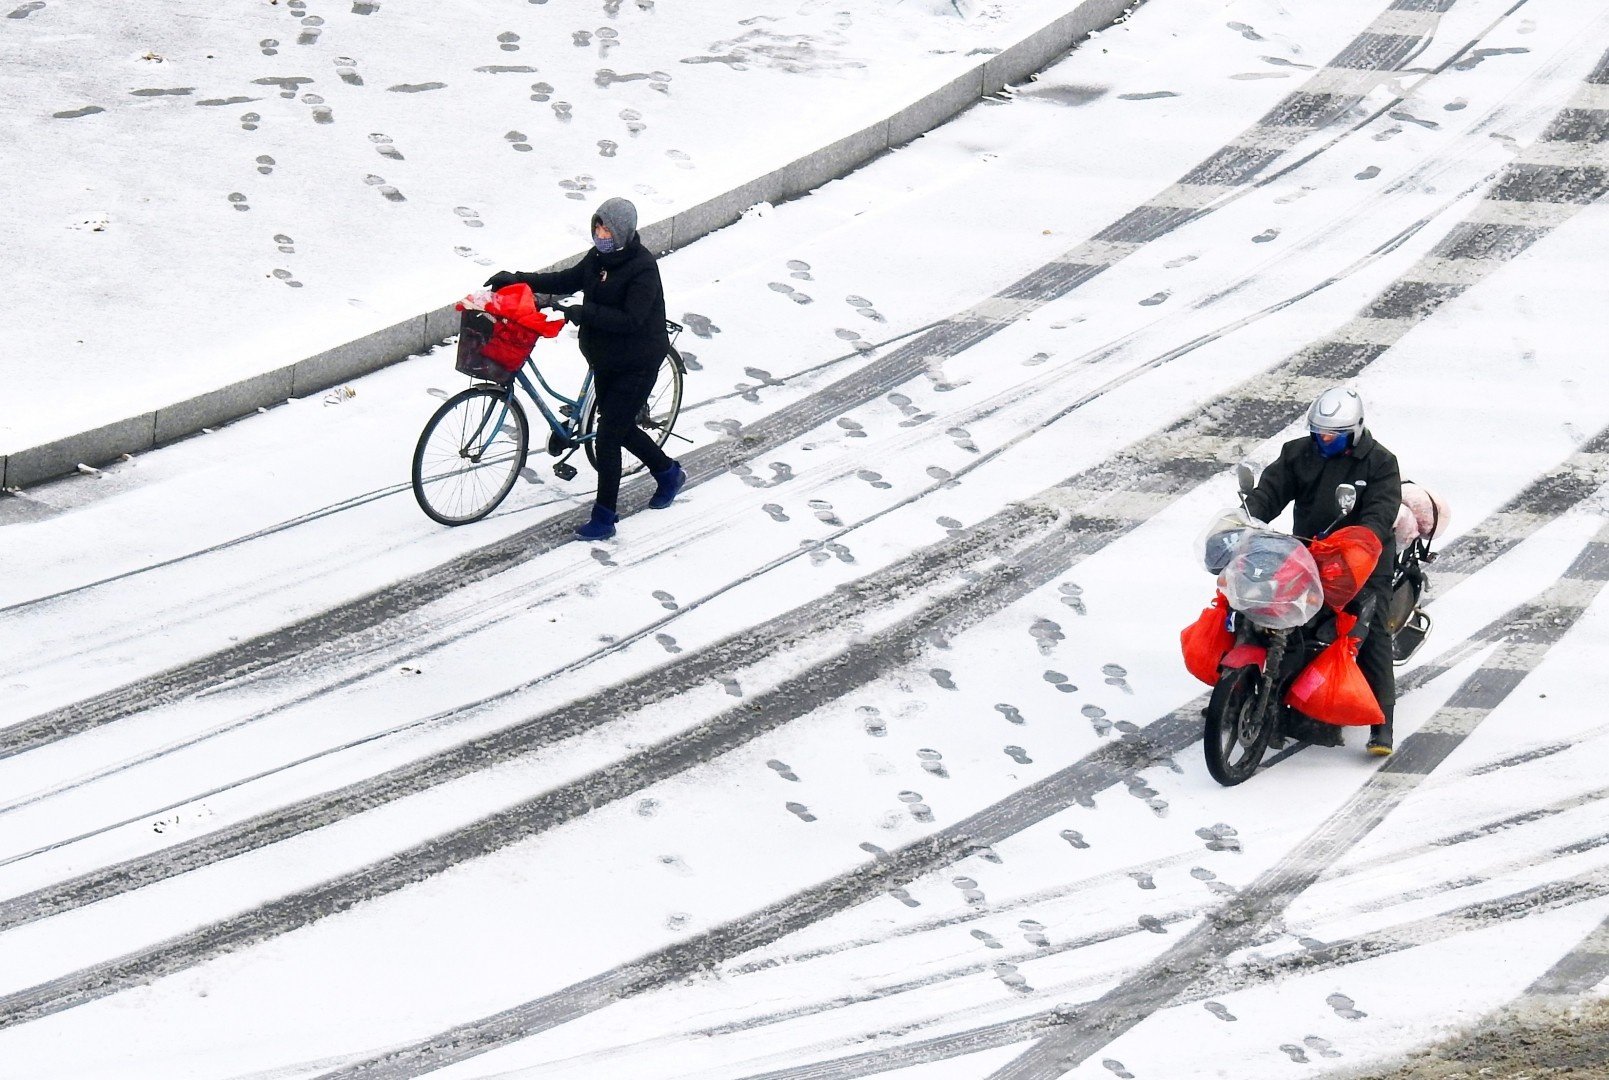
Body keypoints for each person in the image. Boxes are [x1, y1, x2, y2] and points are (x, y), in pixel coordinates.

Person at [485, 197, 685, 541]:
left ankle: (604, 518)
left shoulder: (642, 268)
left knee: (608, 438)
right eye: (597, 226)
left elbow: (631, 319)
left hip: (637, 362)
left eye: (607, 229)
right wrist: (518, 279)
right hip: (606, 357)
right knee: (620, 428)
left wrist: (586, 313)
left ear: (622, 232)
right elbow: (565, 279)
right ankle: (668, 474)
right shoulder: (597, 258)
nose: (600, 234)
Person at [1243, 386, 1402, 755]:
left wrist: (1361, 541)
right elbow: (1271, 491)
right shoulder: (1297, 452)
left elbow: (1381, 512)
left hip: (1363, 559)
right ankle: (1242, 692)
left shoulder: (1380, 462)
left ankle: (1383, 724)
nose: (1325, 440)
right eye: (1319, 433)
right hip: (1308, 551)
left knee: (1371, 630)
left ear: (1356, 431)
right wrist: (1248, 516)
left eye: (1334, 435)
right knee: (1258, 606)